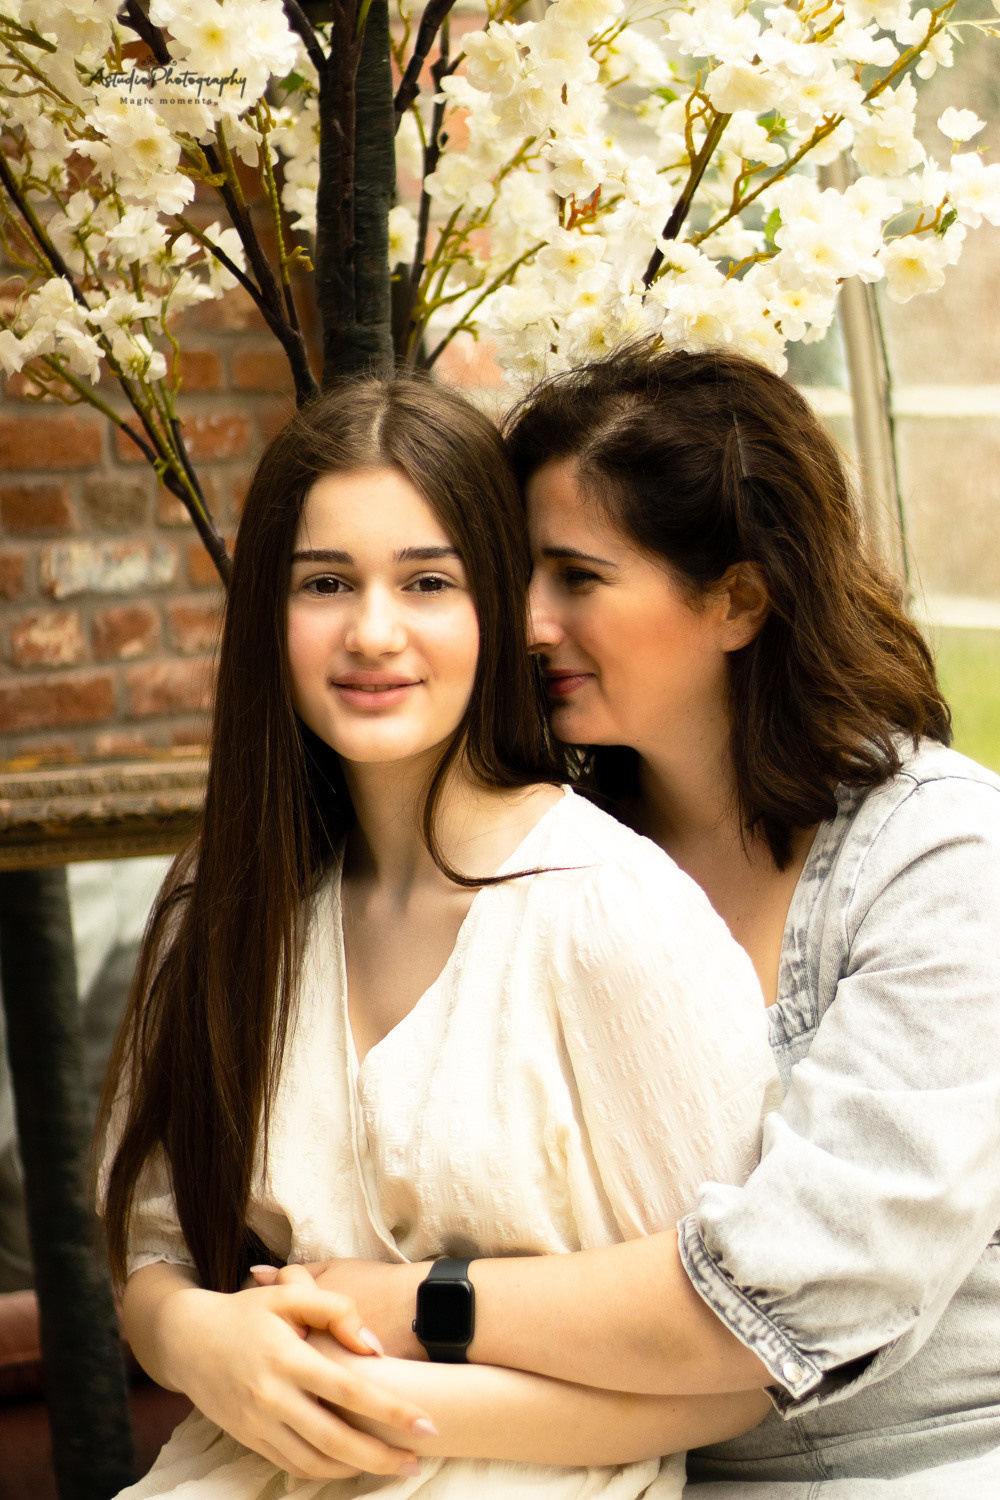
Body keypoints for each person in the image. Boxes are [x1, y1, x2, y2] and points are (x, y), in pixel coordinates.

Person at [294, 348, 1000, 1496]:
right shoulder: (552, 858)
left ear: (737, 599)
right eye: (514, 573)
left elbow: (815, 1284)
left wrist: (422, 1306)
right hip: (602, 1465)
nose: (525, 622)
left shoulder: (941, 854)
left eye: (576, 576)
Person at [97, 375, 781, 1500]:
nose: (374, 632)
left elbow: (735, 1365)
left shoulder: (607, 912)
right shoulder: (223, 903)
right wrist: (199, 1345)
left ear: (501, 611)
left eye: (428, 582)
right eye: (326, 583)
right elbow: (153, 1244)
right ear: (269, 611)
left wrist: (372, 1396)